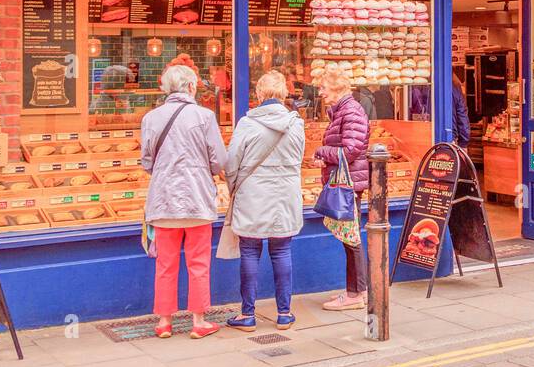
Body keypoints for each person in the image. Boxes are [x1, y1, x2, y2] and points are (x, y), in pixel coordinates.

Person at [141, 64, 227, 340]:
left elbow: (146, 162)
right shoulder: (204, 116)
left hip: (164, 201)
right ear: (191, 87)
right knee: (198, 262)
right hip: (197, 201)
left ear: (166, 88)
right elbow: (219, 160)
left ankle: (164, 322)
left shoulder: (151, 118)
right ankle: (198, 321)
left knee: (165, 264)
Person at [223, 70, 306, 332]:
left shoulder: (247, 124)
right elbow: (299, 159)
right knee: (282, 251)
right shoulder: (296, 124)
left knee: (249, 250)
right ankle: (284, 313)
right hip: (285, 194)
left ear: (259, 94)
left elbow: (231, 163)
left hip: (253, 194)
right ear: (283, 94)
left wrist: (233, 187)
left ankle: (247, 315)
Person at [313, 64, 370, 311]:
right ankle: (356, 291)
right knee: (350, 237)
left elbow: (351, 150)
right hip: (346, 183)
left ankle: (357, 293)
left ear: (337, 88)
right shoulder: (342, 111)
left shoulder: (351, 111)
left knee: (351, 238)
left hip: (349, 186)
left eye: (324, 88)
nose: (321, 93)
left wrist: (322, 152)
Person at [452, 74, 471, 149]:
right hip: (450, 137)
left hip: (426, 134)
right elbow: (462, 115)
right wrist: (463, 143)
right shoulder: (455, 86)